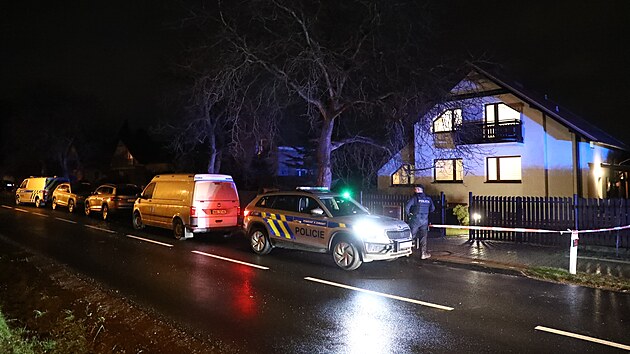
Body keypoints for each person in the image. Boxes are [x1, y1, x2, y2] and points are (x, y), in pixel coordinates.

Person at [405, 184, 435, 259]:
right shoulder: (428, 199)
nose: (414, 191)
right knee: (423, 237)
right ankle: (423, 254)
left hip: (415, 219)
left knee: (411, 236)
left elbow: (407, 207)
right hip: (424, 220)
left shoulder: (414, 198)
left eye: (415, 189)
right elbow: (432, 209)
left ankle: (408, 252)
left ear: (418, 190)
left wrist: (410, 215)